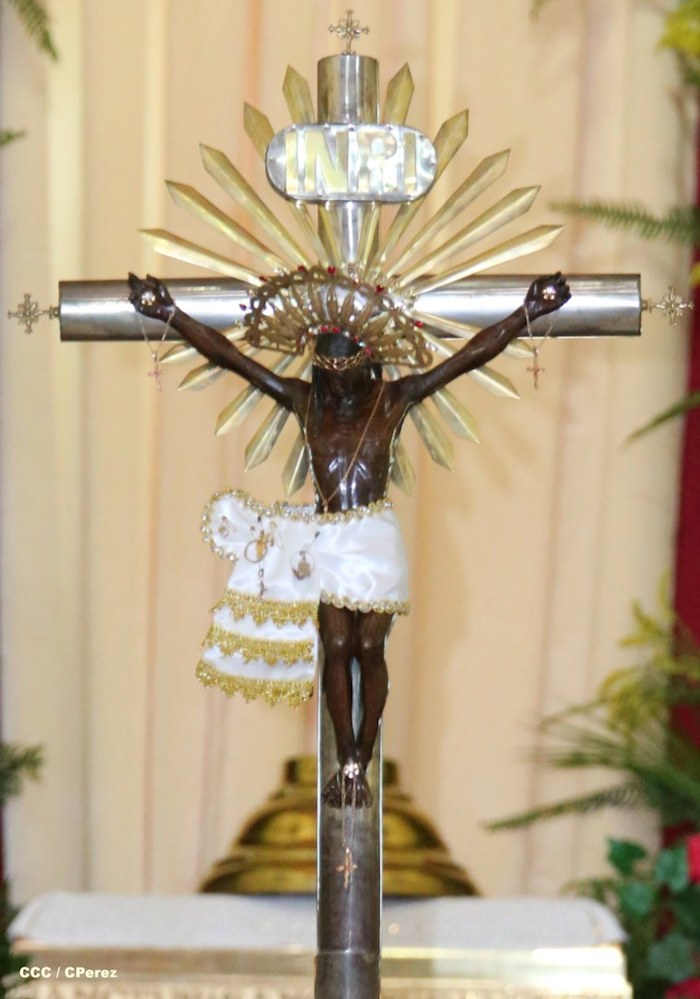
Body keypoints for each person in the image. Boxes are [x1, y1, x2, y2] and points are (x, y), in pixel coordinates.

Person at [128, 269, 570, 806]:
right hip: (328, 540)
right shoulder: (306, 402)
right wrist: (169, 314)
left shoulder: (393, 399)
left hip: (374, 540)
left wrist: (528, 313)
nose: (336, 388)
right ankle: (349, 761)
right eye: (327, 375)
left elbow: (468, 357)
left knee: (367, 646)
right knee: (336, 645)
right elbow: (234, 360)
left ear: (367, 363)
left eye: (346, 375)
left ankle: (361, 753)